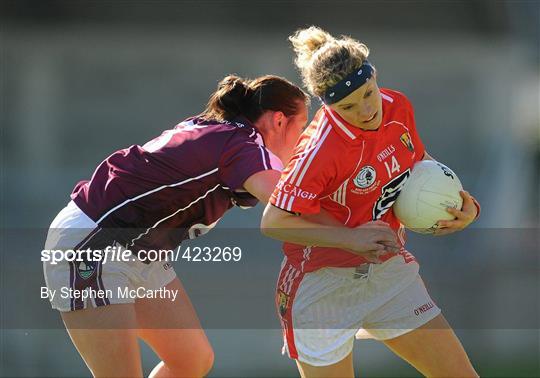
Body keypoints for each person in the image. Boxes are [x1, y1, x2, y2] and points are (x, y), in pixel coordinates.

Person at [43, 74, 318, 378]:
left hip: (137, 251)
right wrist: (354, 228)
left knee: (191, 361)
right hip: (92, 243)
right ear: (279, 121)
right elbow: (287, 204)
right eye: (302, 126)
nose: (304, 138)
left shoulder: (222, 132)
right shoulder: (243, 145)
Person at [261, 26, 481, 377]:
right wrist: (350, 238)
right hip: (322, 286)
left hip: (386, 271)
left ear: (374, 77)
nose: (365, 110)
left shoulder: (397, 106)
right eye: (348, 106)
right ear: (327, 104)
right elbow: (273, 222)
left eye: (368, 94)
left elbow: (417, 163)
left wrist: (458, 203)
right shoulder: (320, 150)